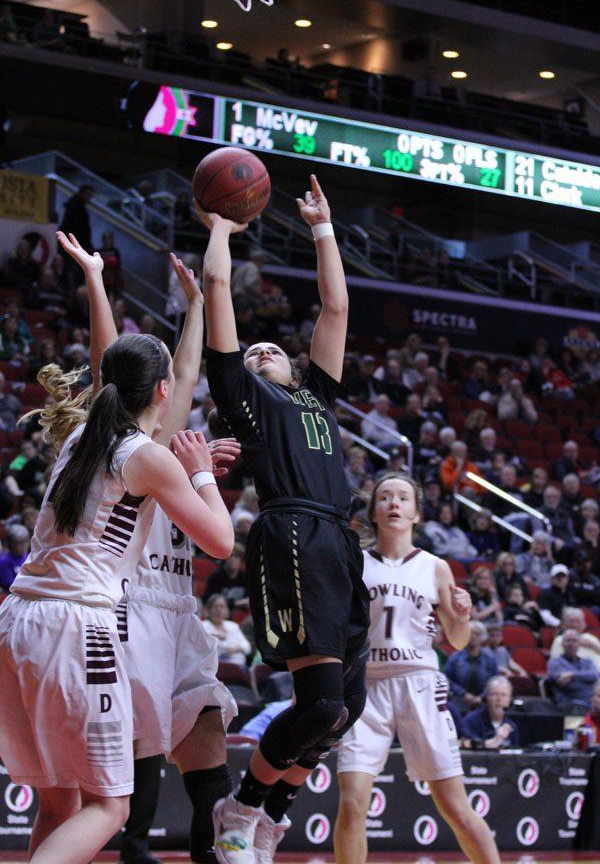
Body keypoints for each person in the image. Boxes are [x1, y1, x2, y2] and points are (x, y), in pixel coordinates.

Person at [0, 232, 234, 863]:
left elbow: (124, 370)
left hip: (18, 621)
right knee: (111, 807)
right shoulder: (149, 456)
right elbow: (220, 540)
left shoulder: (82, 436)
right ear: (160, 394)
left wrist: (99, 281)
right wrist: (202, 473)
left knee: (59, 804)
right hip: (79, 624)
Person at [201, 175, 370, 864]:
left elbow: (334, 306)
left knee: (344, 712)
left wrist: (322, 228)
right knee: (319, 701)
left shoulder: (316, 399)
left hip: (339, 538)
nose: (262, 350)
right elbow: (218, 297)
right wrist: (219, 228)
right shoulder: (248, 402)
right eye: (252, 352)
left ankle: (271, 817)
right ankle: (239, 809)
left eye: (272, 350)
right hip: (293, 534)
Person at [334, 473, 500, 864]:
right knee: (353, 802)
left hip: (419, 683)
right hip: (365, 686)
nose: (394, 503)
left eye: (403, 498)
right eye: (385, 497)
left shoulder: (435, 567)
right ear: (373, 512)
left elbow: (457, 640)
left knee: (455, 807)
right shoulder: (354, 561)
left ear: (417, 514)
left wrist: (462, 617)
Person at [444, 622, 498, 711]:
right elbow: (446, 679)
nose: (473, 636)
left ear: (482, 637)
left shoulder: (490, 659)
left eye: (477, 634)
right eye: (470, 633)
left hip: (484, 702)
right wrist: (463, 693)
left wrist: (482, 697)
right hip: (458, 700)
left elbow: (494, 681)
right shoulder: (455, 658)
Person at [547, 630, 598, 714]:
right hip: (569, 703)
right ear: (562, 644)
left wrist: (572, 675)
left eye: (574, 640)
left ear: (579, 644)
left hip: (590, 702)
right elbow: (569, 686)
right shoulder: (554, 662)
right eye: (568, 640)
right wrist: (586, 680)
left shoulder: (587, 662)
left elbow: (595, 675)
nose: (570, 643)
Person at [462, 676, 520, 749]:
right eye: (495, 694)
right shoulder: (471, 721)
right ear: (486, 697)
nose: (499, 699)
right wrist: (494, 741)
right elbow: (466, 746)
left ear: (509, 700)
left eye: (504, 695)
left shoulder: (511, 726)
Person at [203, 595, 252, 665]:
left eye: (222, 606)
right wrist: (215, 635)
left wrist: (236, 648)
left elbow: (247, 647)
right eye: (215, 606)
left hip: (237, 666)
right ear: (208, 610)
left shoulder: (233, 626)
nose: (218, 610)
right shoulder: (203, 626)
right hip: (213, 665)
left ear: (227, 610)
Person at [203, 545, 248, 612]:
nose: (232, 559)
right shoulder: (216, 576)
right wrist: (235, 603)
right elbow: (208, 600)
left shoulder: (245, 578)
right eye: (230, 556)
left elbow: (248, 601)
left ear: (241, 561)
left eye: (236, 556)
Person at [59, 186, 94, 257]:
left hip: (73, 241)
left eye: (90, 195)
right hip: (73, 241)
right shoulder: (76, 207)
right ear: (82, 193)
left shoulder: (75, 205)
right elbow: (77, 226)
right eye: (88, 194)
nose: (89, 198)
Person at [0, 524, 30, 591]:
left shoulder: (29, 557)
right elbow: (8, 583)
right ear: (11, 544)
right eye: (19, 543)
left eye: (25, 541)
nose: (24, 545)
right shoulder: (4, 561)